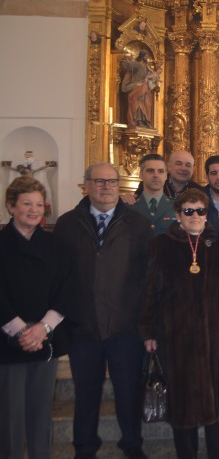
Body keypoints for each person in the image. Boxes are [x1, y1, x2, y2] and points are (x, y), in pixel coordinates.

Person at [54, 163, 153, 459]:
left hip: (125, 326)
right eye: (99, 181)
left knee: (128, 392)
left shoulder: (136, 224)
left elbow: (146, 276)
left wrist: (145, 321)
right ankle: (84, 449)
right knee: (86, 393)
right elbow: (60, 275)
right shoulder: (67, 224)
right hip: (83, 326)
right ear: (86, 185)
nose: (106, 187)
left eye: (112, 181)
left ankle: (132, 446)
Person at [140, 188, 219, 459]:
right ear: (178, 214)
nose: (195, 216)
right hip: (177, 336)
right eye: (189, 211)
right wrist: (148, 330)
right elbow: (150, 291)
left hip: (216, 335)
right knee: (183, 404)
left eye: (200, 211)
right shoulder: (161, 245)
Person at [0, 177, 79, 459]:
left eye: (38, 204)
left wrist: (43, 327)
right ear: (11, 206)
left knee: (41, 412)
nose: (34, 210)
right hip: (10, 343)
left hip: (45, 340)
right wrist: (21, 330)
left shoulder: (55, 244)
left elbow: (69, 286)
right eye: (26, 204)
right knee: (10, 417)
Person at [128, 150, 204, 203]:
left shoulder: (200, 191)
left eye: (188, 165)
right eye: (178, 164)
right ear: (168, 166)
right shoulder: (152, 185)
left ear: (193, 169)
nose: (183, 168)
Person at [129, 154, 177, 235]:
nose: (156, 175)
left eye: (161, 171)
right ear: (141, 174)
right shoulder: (129, 206)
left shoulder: (177, 206)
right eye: (150, 171)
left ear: (166, 175)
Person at [121, 49, 160, 129]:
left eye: (148, 56)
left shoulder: (147, 67)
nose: (147, 58)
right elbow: (127, 66)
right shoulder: (137, 64)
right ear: (142, 56)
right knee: (138, 103)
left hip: (146, 89)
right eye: (146, 56)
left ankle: (146, 121)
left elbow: (153, 76)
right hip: (137, 87)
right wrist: (127, 59)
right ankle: (138, 120)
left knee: (147, 104)